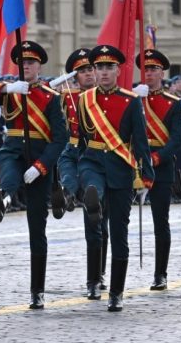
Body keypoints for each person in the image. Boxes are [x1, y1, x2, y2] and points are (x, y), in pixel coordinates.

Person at [0, 41, 68, 309]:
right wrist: (7, 88)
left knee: (37, 228)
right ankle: (1, 201)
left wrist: (40, 166)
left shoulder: (51, 97)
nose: (26, 66)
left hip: (39, 157)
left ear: (39, 66)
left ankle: (37, 290)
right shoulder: (10, 91)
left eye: (31, 63)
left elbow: (60, 139)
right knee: (9, 180)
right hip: (13, 150)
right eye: (22, 63)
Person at [76, 45, 154, 312]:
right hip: (93, 160)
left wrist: (147, 176)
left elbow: (140, 140)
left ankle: (117, 292)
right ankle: (93, 199)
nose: (104, 72)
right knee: (92, 187)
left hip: (121, 167)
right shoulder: (84, 100)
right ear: (95, 71)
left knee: (120, 234)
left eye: (109, 67)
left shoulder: (130, 101)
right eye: (99, 67)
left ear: (118, 70)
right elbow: (78, 140)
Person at [52, 48, 110, 299]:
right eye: (82, 71)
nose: (88, 74)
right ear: (75, 75)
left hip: (99, 157)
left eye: (90, 69)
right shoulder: (65, 97)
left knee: (98, 223)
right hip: (73, 150)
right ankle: (66, 193)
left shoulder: (108, 98)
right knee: (67, 172)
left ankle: (98, 275)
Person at [134, 49, 181, 291]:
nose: (149, 73)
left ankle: (160, 273)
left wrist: (156, 158)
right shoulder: (131, 98)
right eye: (145, 69)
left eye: (153, 69)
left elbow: (177, 139)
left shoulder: (173, 104)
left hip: (160, 166)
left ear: (162, 73)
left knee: (160, 222)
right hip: (132, 164)